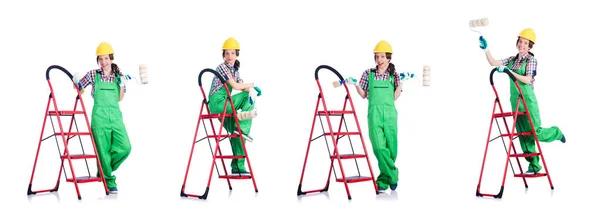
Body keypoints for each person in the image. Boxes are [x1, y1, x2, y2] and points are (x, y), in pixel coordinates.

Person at [479, 28, 566, 174]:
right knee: (522, 133)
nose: (522, 45)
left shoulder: (531, 60)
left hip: (528, 100)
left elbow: (527, 79)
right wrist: (486, 49)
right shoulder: (512, 60)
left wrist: (509, 72)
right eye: (520, 41)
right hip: (515, 101)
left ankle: (556, 132)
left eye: (525, 43)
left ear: (530, 46)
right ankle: (533, 166)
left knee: (534, 131)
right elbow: (493, 62)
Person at [77, 42, 132, 194]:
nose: (103, 62)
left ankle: (103, 169)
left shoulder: (119, 76)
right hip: (99, 118)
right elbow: (79, 89)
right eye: (100, 59)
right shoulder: (93, 75)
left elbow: (120, 98)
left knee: (126, 147)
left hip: (115, 117)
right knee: (103, 151)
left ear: (111, 59)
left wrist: (122, 85)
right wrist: (77, 84)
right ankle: (109, 181)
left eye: (106, 58)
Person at [351, 40, 402, 191]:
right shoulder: (368, 74)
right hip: (374, 114)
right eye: (376, 57)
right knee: (379, 148)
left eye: (382, 57)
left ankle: (383, 179)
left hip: (390, 114)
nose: (379, 60)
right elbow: (363, 94)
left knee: (391, 148)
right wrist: (356, 85)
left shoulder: (395, 75)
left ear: (388, 58)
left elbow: (394, 97)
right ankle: (393, 174)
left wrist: (401, 83)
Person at [208, 37, 260, 174]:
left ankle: (238, 166)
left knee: (238, 136)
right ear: (223, 55)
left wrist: (254, 90)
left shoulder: (235, 70)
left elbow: (243, 87)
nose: (229, 56)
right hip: (218, 104)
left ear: (237, 54)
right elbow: (236, 86)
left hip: (226, 103)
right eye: (226, 53)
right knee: (247, 97)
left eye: (232, 53)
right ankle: (242, 126)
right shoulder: (222, 67)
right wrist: (251, 86)